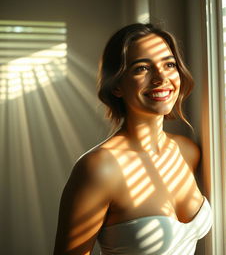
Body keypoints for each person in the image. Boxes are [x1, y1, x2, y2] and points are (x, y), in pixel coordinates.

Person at [53, 23, 212, 255]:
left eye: (169, 64)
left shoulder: (188, 151)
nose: (161, 78)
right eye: (142, 68)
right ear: (117, 85)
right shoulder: (99, 168)